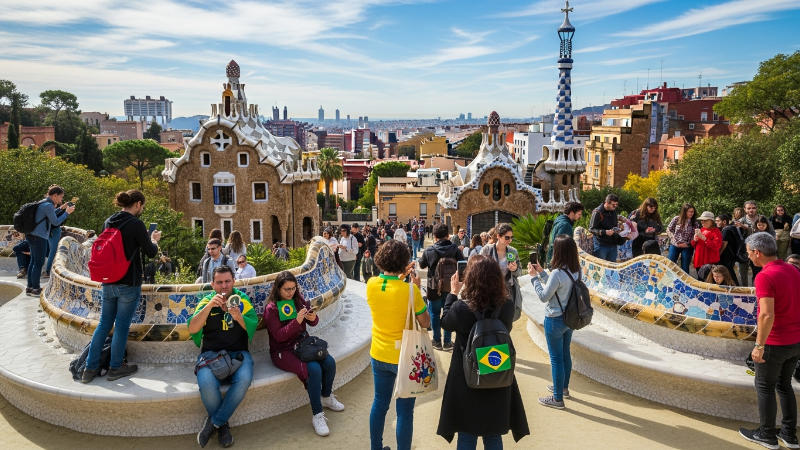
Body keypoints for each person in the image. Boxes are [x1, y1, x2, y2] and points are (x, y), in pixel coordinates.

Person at [437, 255, 530, 448]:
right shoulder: (507, 307)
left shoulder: (461, 308)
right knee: (494, 435)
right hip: (496, 371)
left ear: (470, 277)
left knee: (466, 434)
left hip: (466, 376)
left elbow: (445, 322)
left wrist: (453, 294)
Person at [82, 189, 161, 383]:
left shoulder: (109, 221)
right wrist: (154, 240)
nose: (142, 209)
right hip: (128, 282)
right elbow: (150, 252)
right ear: (137, 204)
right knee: (122, 327)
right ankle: (115, 368)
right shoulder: (136, 224)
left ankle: (89, 369)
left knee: (103, 324)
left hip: (108, 281)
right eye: (142, 206)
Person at [366, 239, 431, 450]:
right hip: (405, 357)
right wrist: (418, 291)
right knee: (404, 412)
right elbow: (426, 322)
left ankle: (376, 447)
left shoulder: (371, 284)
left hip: (379, 354)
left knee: (379, 405)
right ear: (404, 262)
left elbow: (389, 286)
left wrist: (403, 279)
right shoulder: (410, 291)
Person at [739, 232, 800, 450]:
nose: (749, 258)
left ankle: (766, 435)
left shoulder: (764, 275)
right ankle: (789, 435)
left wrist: (759, 346)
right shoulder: (793, 270)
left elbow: (766, 315)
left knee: (764, 387)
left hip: (775, 342)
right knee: (784, 386)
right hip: (795, 342)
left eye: (749, 254)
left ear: (757, 252)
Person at [265, 271, 344, 436]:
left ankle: (326, 396)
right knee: (313, 369)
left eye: (293, 288)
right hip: (282, 350)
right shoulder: (271, 309)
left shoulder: (298, 300)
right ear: (278, 289)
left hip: (303, 344)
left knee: (329, 363)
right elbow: (279, 336)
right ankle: (317, 414)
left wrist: (312, 316)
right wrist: (297, 321)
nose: (290, 292)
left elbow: (313, 322)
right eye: (286, 289)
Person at [188, 265, 257, 448]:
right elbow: (193, 328)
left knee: (243, 380)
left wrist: (238, 316)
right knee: (207, 385)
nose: (224, 286)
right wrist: (210, 306)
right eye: (219, 282)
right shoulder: (206, 301)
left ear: (234, 281)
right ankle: (223, 426)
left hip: (239, 354)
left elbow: (252, 326)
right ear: (212, 284)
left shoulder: (242, 299)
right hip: (210, 355)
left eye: (227, 281)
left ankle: (214, 423)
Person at [529, 234, 581, 409]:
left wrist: (534, 278)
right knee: (565, 355)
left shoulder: (558, 273)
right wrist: (543, 272)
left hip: (554, 320)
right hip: (570, 319)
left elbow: (545, 296)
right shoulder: (576, 270)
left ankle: (557, 398)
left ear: (558, 251)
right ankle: (563, 388)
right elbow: (557, 287)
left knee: (556, 360)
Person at [419, 223, 466, 350]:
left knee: (434, 313)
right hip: (451, 286)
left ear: (434, 237)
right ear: (448, 235)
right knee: (449, 312)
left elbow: (422, 265)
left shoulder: (430, 250)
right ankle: (447, 342)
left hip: (434, 287)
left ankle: (436, 341)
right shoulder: (455, 249)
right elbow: (462, 265)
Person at [26, 185, 74, 296]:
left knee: (33, 261)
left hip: (31, 235)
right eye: (60, 197)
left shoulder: (43, 203)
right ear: (54, 195)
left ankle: (30, 287)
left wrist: (61, 208)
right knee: (38, 263)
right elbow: (55, 222)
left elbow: (49, 215)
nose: (61, 200)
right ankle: (36, 289)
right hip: (39, 236)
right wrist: (67, 213)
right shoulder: (48, 205)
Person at [480, 223, 522, 321]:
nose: (510, 240)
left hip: (508, 291)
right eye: (507, 238)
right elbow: (477, 269)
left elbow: (519, 272)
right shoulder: (487, 250)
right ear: (498, 236)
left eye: (512, 237)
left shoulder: (513, 251)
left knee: (507, 320)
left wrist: (514, 269)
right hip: (490, 290)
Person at [735, 201, 776, 287]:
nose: (751, 210)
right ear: (745, 209)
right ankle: (744, 293)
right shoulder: (741, 221)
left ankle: (757, 290)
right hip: (744, 252)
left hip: (760, 251)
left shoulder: (763, 219)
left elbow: (772, 233)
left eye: (753, 208)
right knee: (742, 273)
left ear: (756, 208)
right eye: (749, 208)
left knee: (759, 272)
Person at [589, 194, 624, 262]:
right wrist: (604, 232)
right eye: (613, 204)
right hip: (601, 245)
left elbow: (613, 225)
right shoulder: (597, 213)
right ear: (606, 203)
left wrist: (619, 227)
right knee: (599, 267)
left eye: (616, 204)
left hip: (613, 244)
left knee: (611, 268)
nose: (615, 206)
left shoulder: (613, 211)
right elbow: (591, 229)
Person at [667, 203, 699, 274]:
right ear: (684, 212)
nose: (691, 213)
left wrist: (687, 244)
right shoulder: (676, 219)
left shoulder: (695, 223)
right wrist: (673, 239)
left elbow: (695, 236)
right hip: (675, 244)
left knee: (685, 267)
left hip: (687, 246)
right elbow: (669, 229)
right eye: (689, 211)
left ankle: (685, 283)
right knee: (670, 265)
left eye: (692, 212)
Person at [691, 211, 723, 279]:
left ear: (711, 221)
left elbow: (716, 246)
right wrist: (694, 240)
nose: (703, 223)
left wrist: (705, 239)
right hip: (699, 260)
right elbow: (693, 245)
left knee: (710, 281)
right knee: (700, 280)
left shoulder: (716, 231)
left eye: (705, 221)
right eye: (702, 221)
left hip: (710, 261)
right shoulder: (701, 230)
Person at [715, 214, 741, 286]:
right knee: (729, 271)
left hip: (727, 256)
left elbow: (724, 244)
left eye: (718, 221)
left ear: (724, 222)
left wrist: (718, 254)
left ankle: (736, 288)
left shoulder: (726, 230)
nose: (716, 222)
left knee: (728, 272)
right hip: (732, 255)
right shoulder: (732, 228)